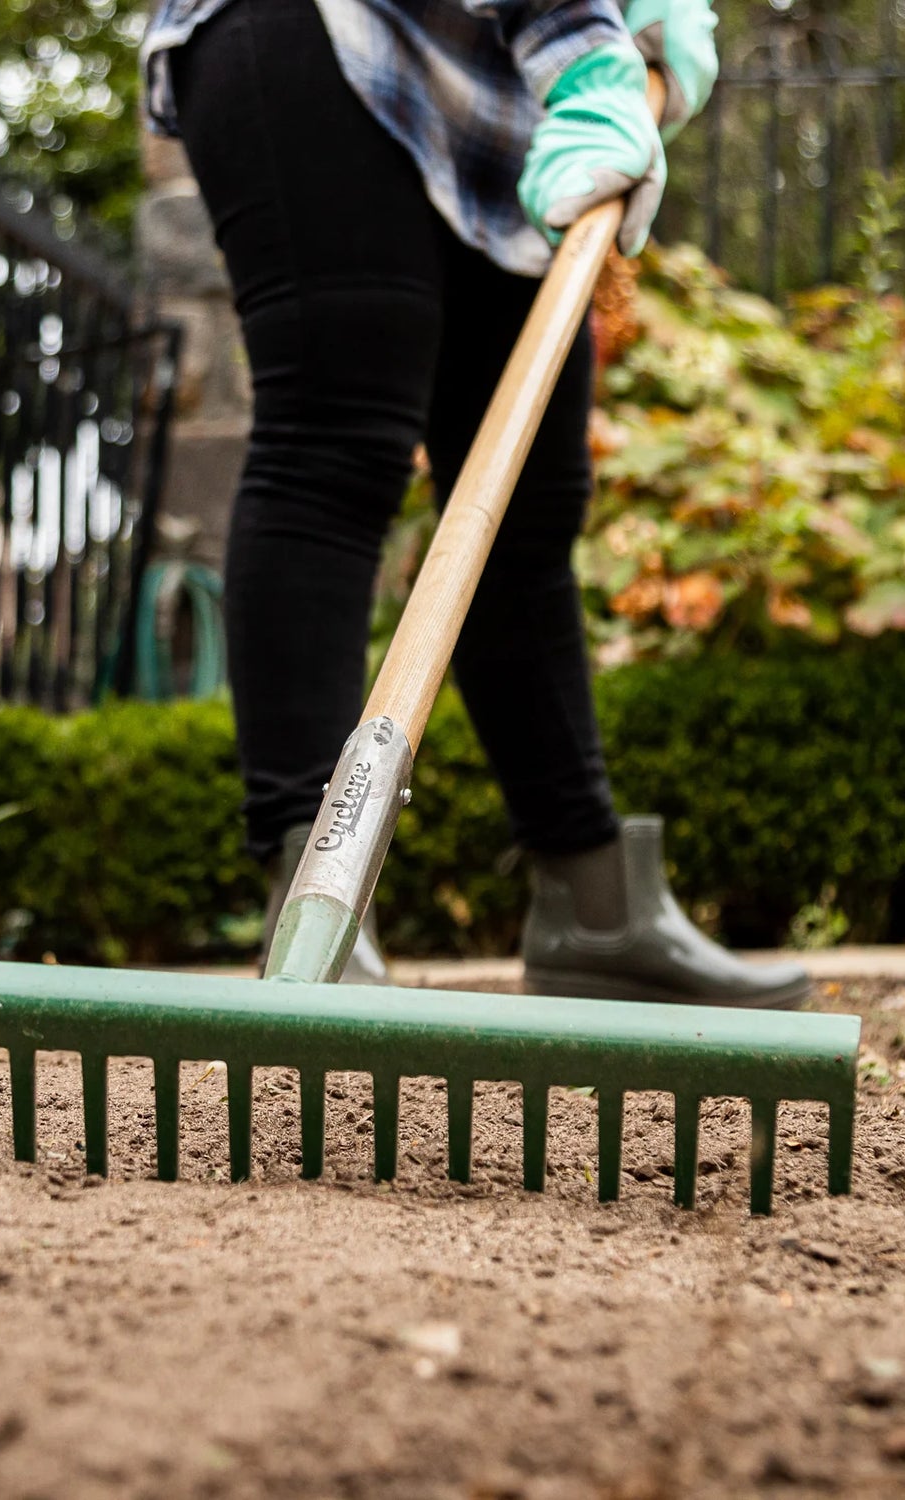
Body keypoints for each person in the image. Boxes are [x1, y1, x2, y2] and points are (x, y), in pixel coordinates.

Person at [142, 0, 810, 1008]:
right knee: (334, 446)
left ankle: (595, 912)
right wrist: (588, 58)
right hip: (328, 36)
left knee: (528, 514)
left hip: (495, 93)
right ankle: (316, 908)